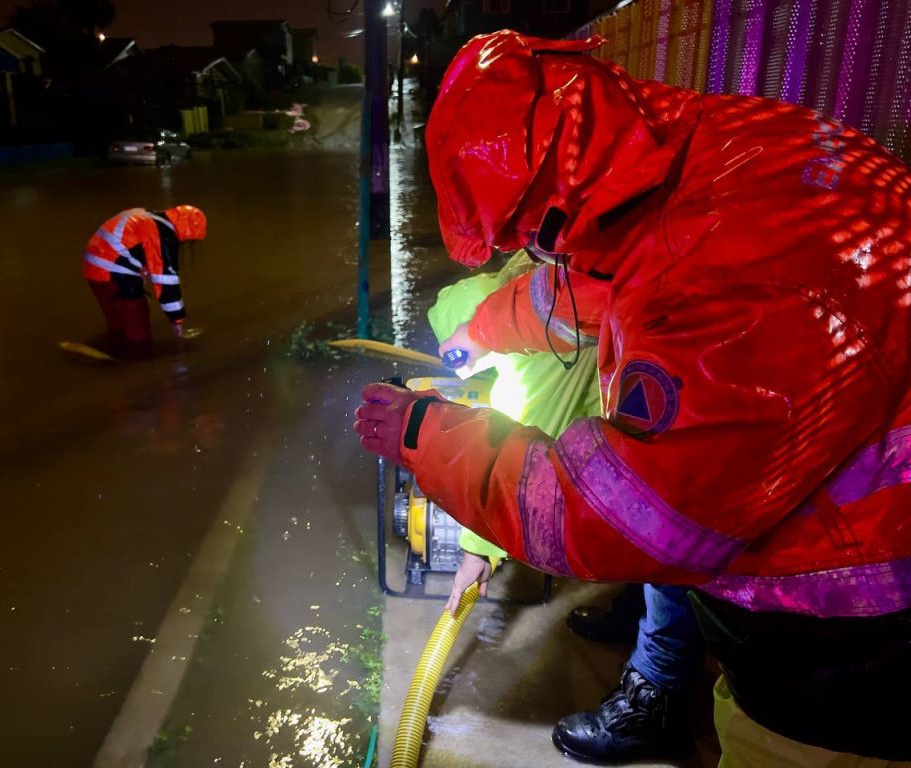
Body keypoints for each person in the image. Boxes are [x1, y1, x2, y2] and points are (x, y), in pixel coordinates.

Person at [355, 30, 911, 765]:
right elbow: (601, 278)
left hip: (850, 638)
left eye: (532, 235)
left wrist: (428, 431)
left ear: (560, 203)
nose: (539, 253)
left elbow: (621, 518)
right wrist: (488, 331)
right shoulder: (705, 158)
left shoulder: (734, 281)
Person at [433, 254, 706, 763]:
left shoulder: (542, 335)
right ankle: (639, 604)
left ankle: (656, 695)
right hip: (659, 367)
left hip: (686, 406)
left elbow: (526, 442)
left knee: (672, 518)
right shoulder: (533, 275)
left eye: (459, 353)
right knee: (647, 505)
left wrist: (476, 550)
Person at [82, 205, 206, 356]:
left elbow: (133, 250)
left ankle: (113, 348)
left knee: (116, 322)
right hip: (116, 274)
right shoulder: (164, 233)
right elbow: (167, 283)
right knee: (138, 332)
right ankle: (136, 362)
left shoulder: (148, 217)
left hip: (93, 269)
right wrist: (177, 322)